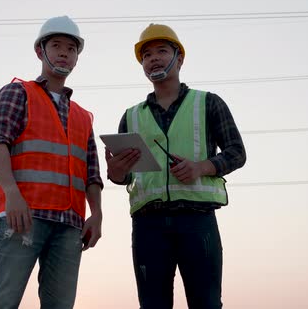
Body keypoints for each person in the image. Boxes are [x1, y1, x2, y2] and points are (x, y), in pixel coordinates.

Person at [105, 23, 246, 308]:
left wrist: (202, 167)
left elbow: (237, 152)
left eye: (161, 51)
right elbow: (125, 175)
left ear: (179, 58)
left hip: (197, 221)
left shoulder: (208, 103)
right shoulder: (130, 116)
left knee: (205, 303)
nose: (153, 58)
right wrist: (116, 173)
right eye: (146, 55)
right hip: (148, 225)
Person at [0, 15, 103, 309]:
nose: (64, 53)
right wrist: (11, 194)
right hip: (23, 217)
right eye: (56, 45)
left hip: (69, 224)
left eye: (71, 49)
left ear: (77, 58)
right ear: (40, 51)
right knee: (2, 301)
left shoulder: (83, 116)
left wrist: (96, 214)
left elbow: (92, 173)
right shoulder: (17, 93)